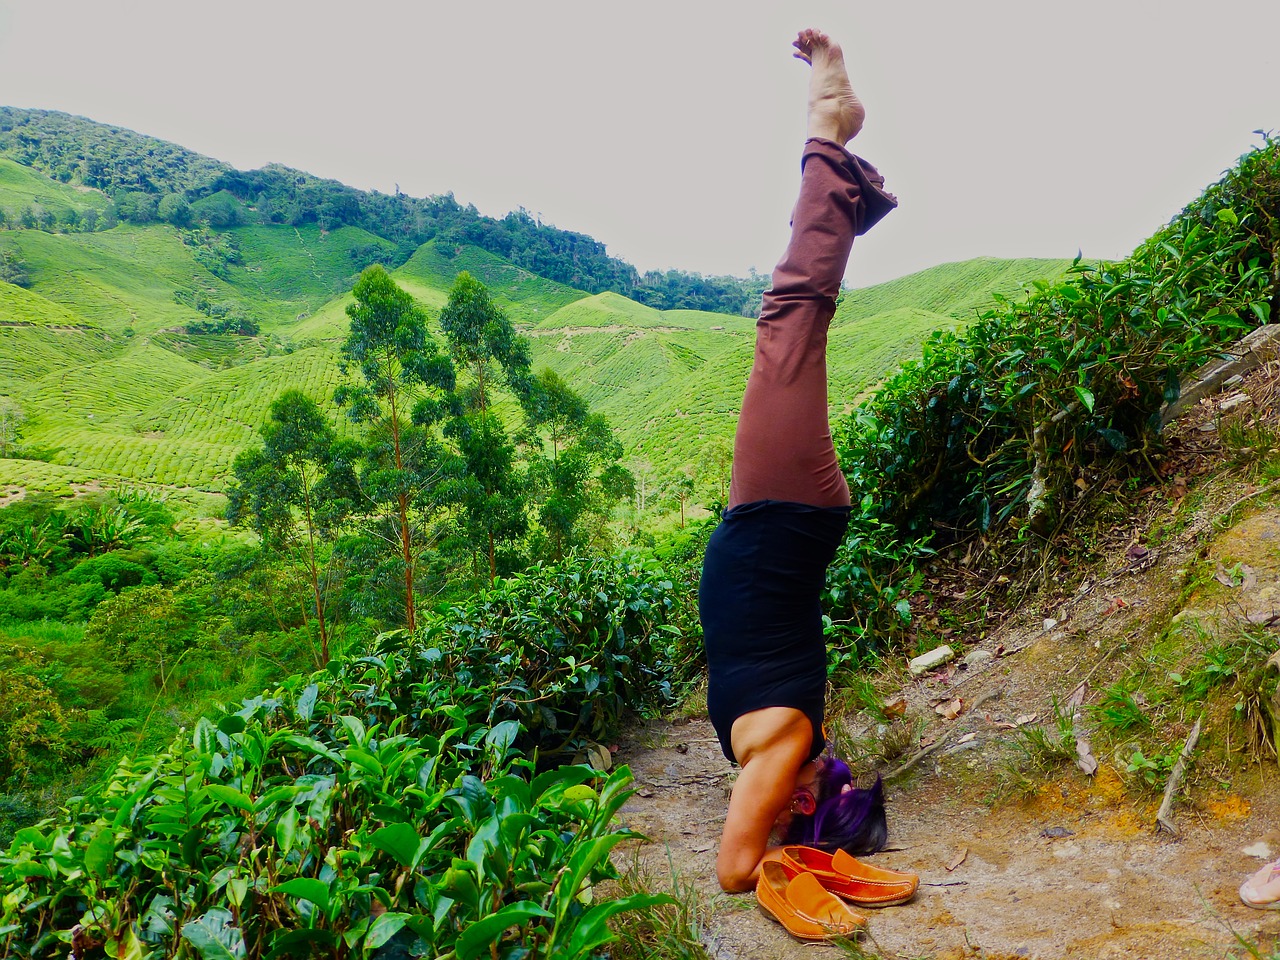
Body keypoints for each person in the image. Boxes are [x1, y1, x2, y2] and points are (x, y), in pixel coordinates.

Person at [700, 28, 898, 893]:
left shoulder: (775, 752)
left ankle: (840, 165)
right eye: (821, 786)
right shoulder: (782, 748)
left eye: (829, 789)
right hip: (781, 517)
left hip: (774, 520)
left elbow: (741, 857)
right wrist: (805, 855)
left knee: (793, 321)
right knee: (791, 317)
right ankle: (831, 131)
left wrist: (793, 839)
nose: (830, 773)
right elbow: (737, 871)